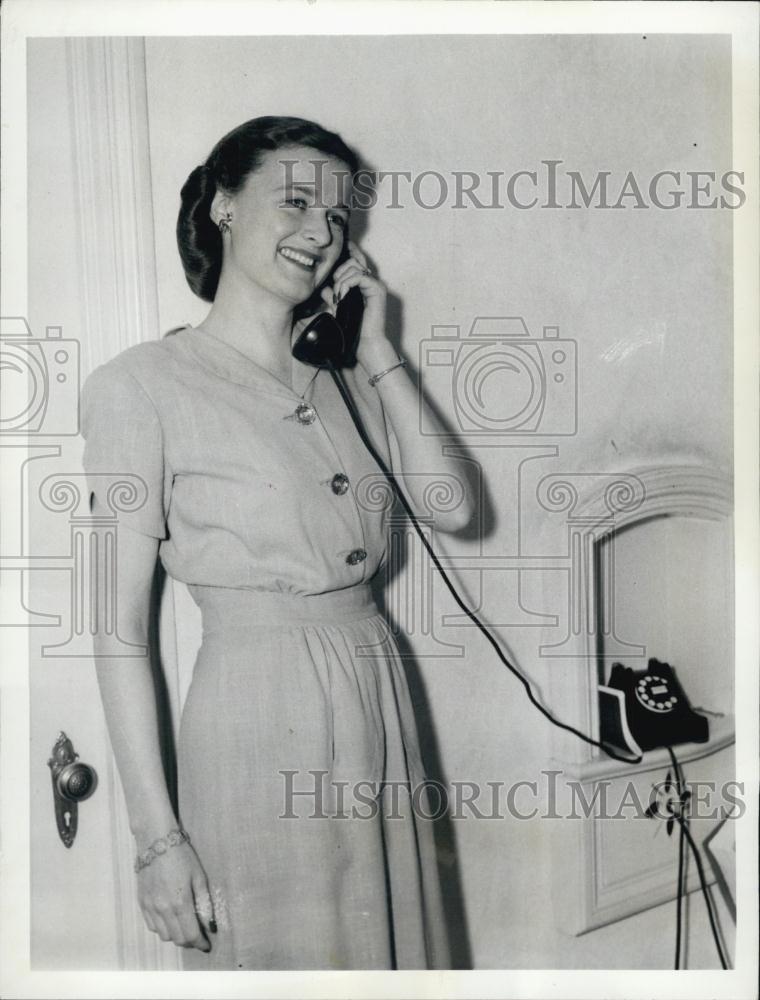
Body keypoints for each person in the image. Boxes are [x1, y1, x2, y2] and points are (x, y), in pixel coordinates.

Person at [81, 115, 474, 971]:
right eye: (294, 201)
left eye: (337, 218)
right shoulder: (139, 387)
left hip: (376, 689)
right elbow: (117, 632)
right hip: (257, 718)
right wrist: (157, 840)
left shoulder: (344, 376)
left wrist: (376, 350)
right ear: (223, 205)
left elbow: (452, 507)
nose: (320, 232)